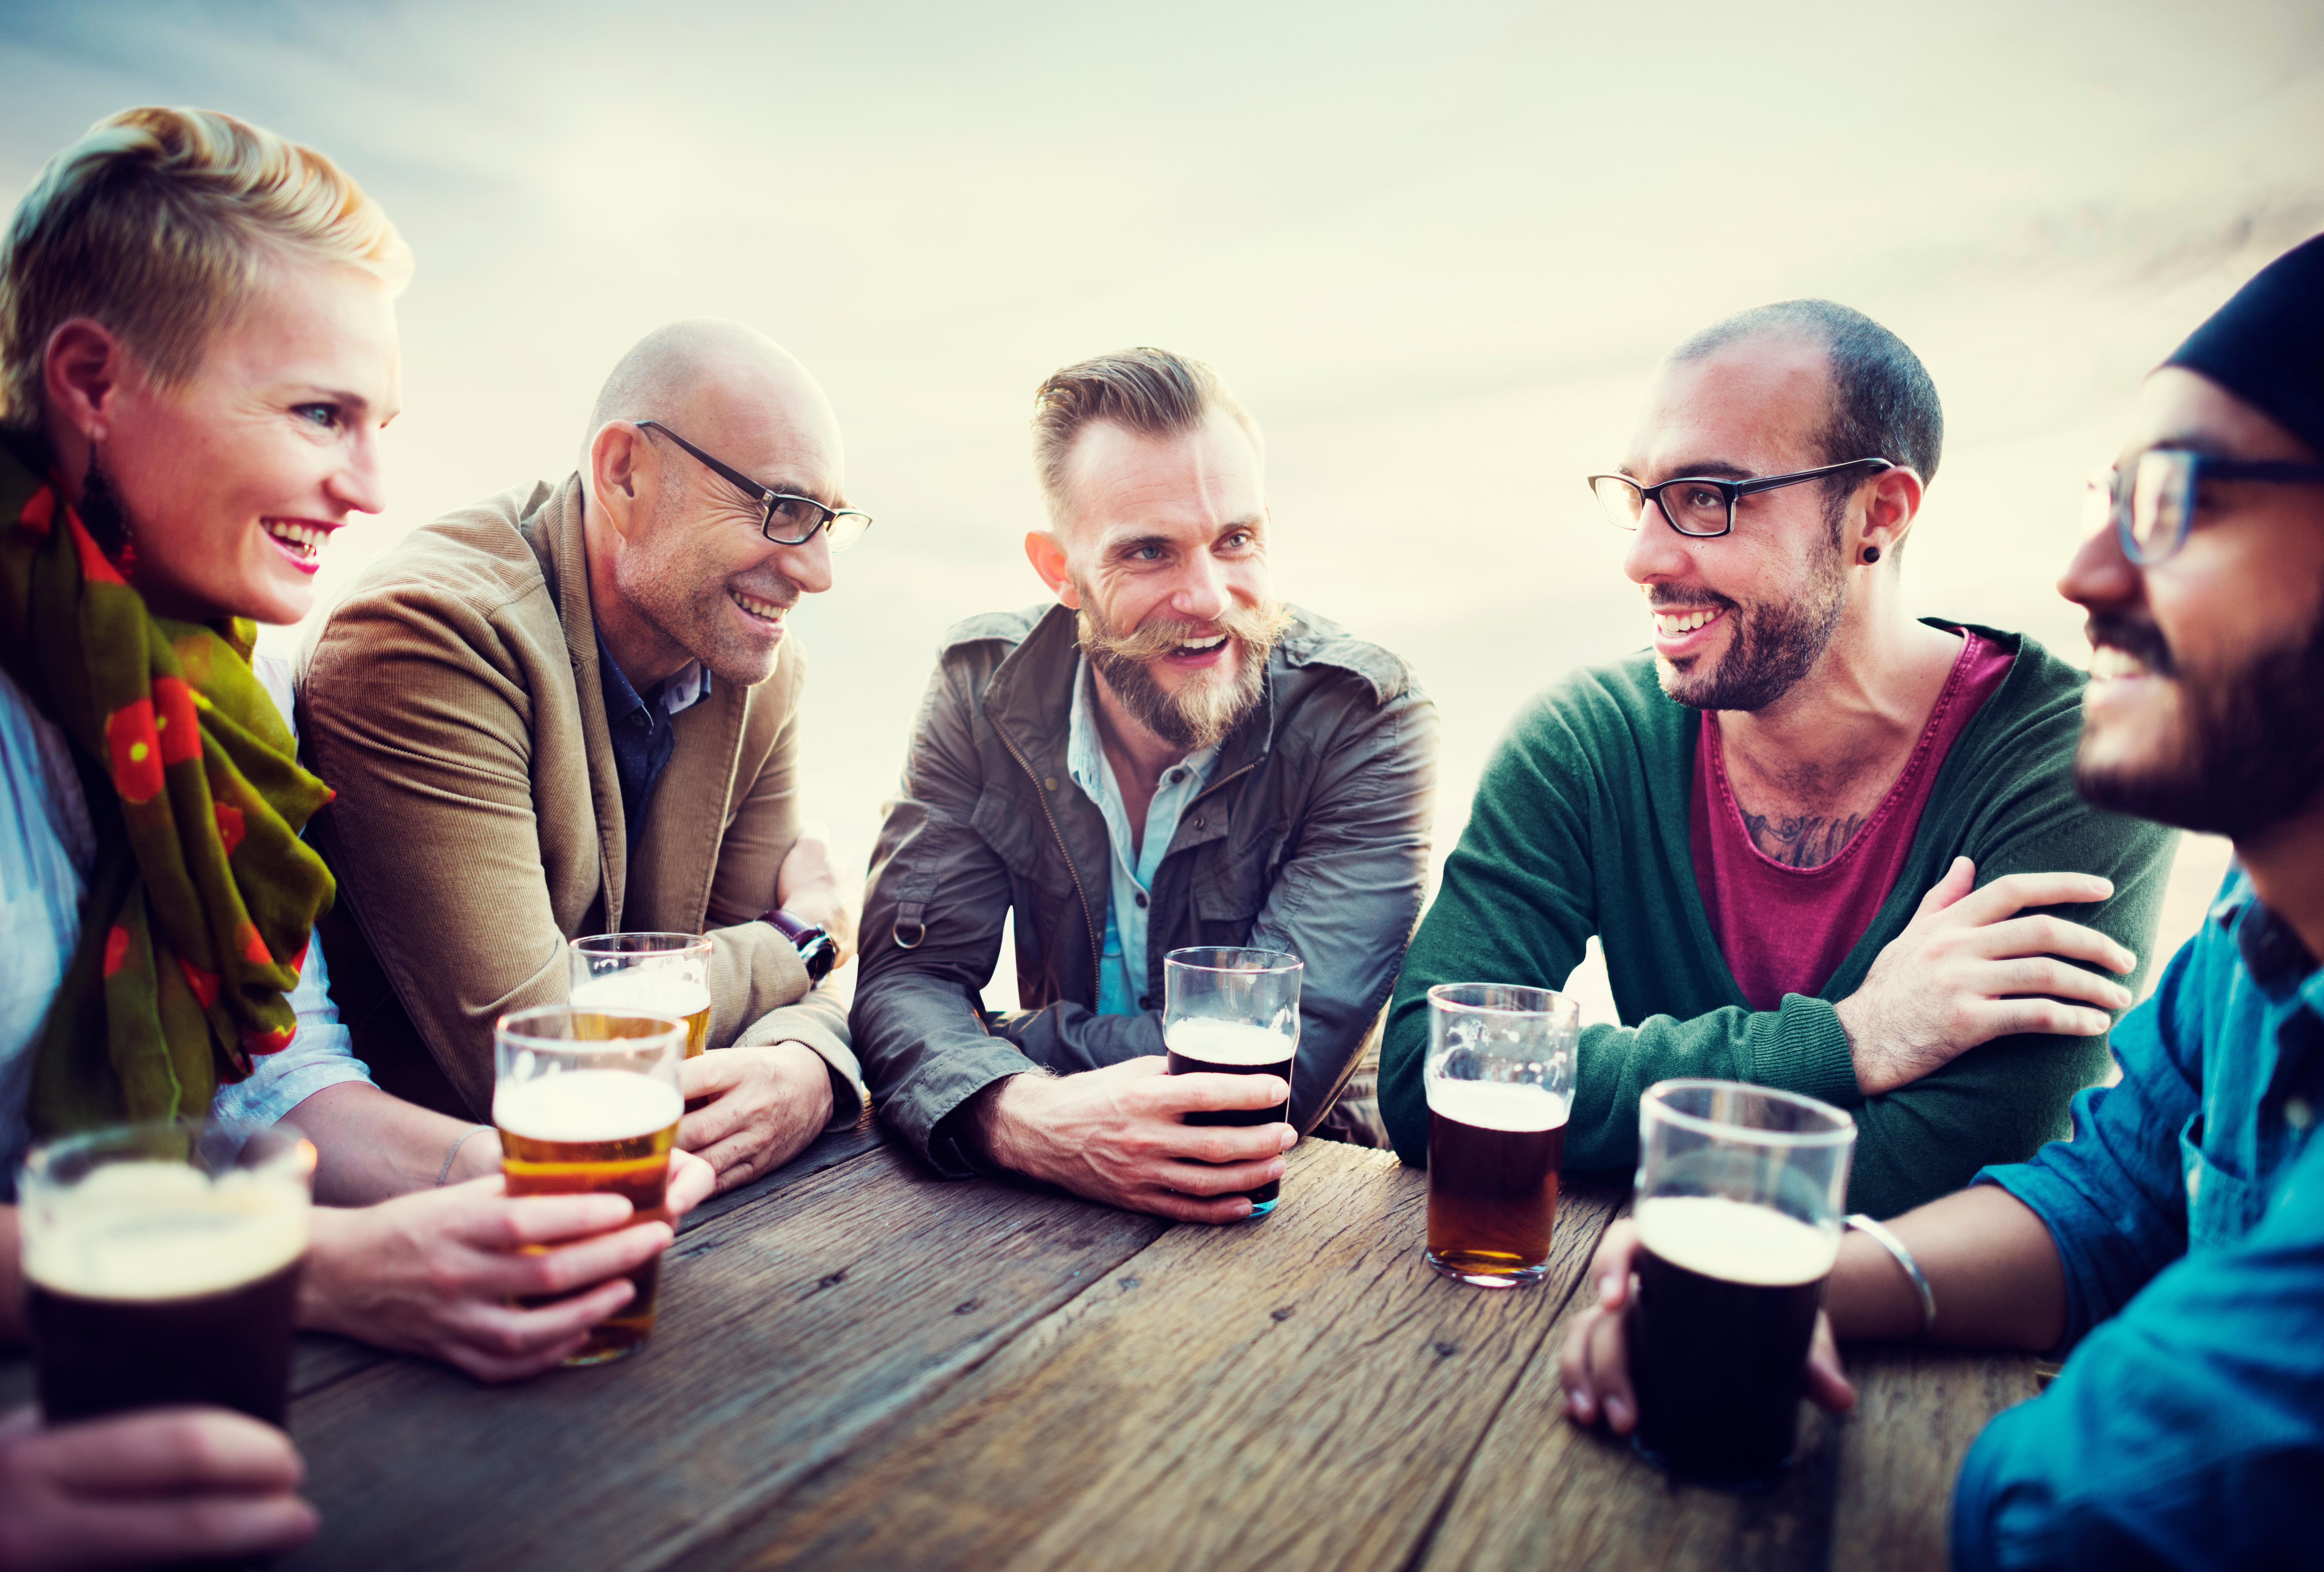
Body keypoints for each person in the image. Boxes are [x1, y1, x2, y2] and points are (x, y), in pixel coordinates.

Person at [0, 107, 710, 1566]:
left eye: (380, 423)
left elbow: (280, 1087)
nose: (373, 487)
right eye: (321, 414)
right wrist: (311, 1270)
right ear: (92, 381)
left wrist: (496, 1186)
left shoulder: (220, 688)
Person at [1561, 234, 2324, 1568]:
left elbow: (2078, 1512)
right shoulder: (2247, 956)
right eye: (2111, 497)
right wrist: (1807, 1279)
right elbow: (2100, 1196)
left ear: (1877, 517)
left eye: (2175, 501)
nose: (2085, 572)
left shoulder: (2043, 770)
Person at [1379, 301, 2178, 1216]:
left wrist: (1606, 1119)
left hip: (1931, 1357)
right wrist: (1844, 1045)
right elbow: (1431, 1081)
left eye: (1706, 499)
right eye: (1641, 497)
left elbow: (1962, 1176)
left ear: (1877, 514)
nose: (1644, 557)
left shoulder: (2077, 765)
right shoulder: (1587, 743)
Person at [852, 347, 1438, 1222]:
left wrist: (991, 1046)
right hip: (1047, 1202)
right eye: (1149, 552)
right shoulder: (981, 688)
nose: (1206, 596)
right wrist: (1018, 1115)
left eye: (1235, 540)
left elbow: (1269, 1067)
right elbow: (908, 981)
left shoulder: (1364, 716)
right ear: (1061, 572)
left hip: (1309, 1200)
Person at [297, 318, 867, 1196]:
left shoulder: (754, 662)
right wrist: (807, 940)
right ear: (623, 473)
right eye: (784, 511)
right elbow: (533, 1055)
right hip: (447, 1231)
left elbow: (786, 1011)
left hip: (668, 1216)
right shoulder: (425, 638)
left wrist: (807, 1063)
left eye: (829, 521)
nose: (819, 572)